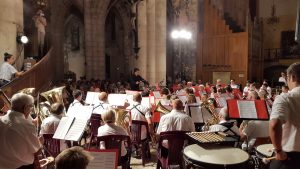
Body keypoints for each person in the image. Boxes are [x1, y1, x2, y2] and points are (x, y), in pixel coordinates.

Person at [269, 62, 300, 169]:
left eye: (287, 77)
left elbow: (274, 124)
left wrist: (278, 151)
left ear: (293, 77)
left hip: (290, 159)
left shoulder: (285, 98)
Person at [0, 93, 41, 168]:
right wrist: (41, 141)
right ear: (25, 108)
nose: (31, 110)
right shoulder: (26, 126)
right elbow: (37, 151)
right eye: (31, 107)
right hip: (22, 167)